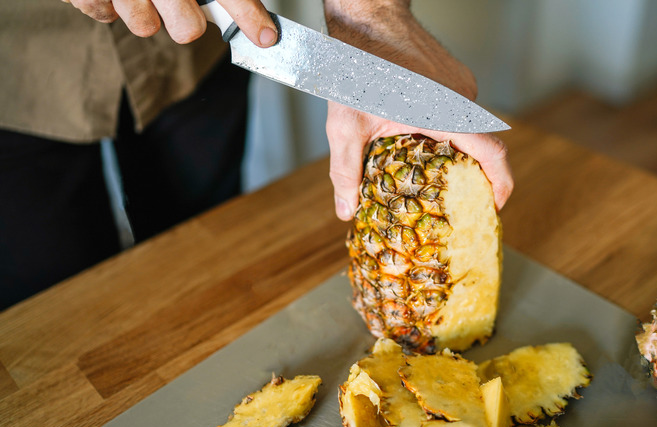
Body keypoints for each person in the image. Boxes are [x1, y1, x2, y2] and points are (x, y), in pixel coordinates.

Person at [0, 0, 513, 309]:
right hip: (18, 72)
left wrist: (368, 16)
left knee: (205, 255)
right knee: (53, 300)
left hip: (205, 36)